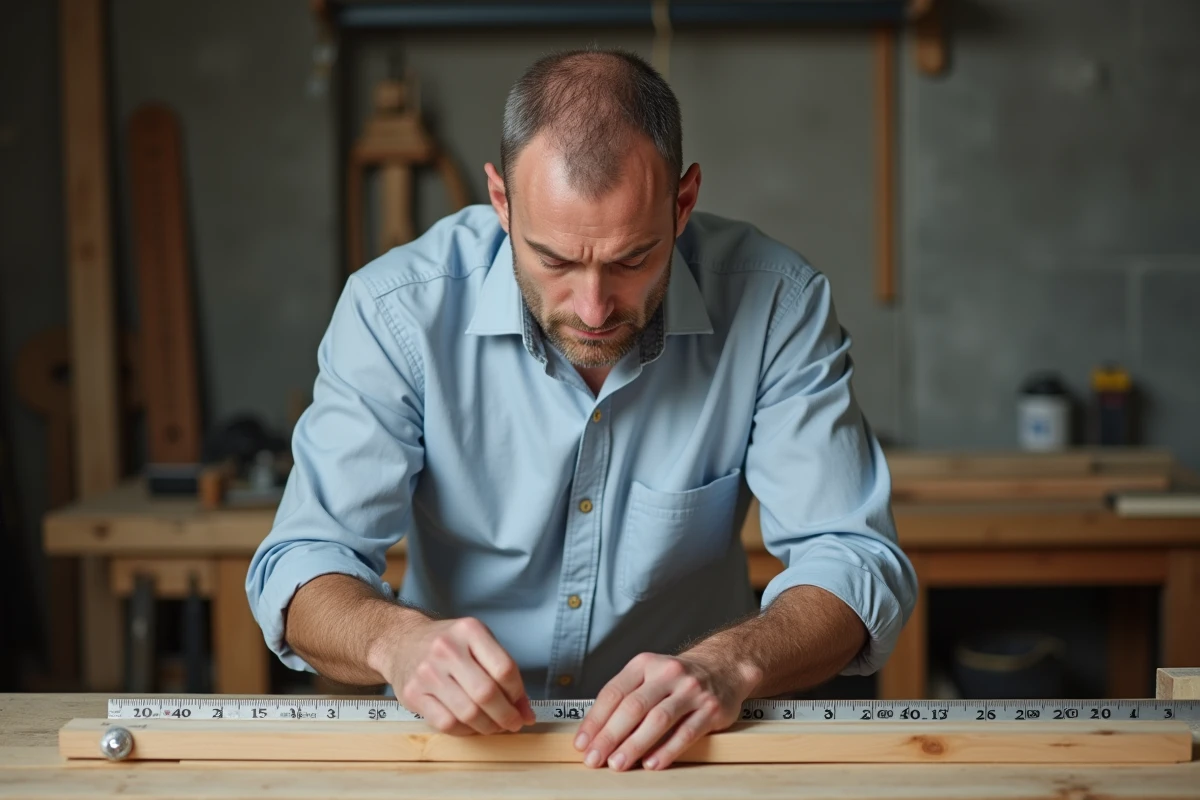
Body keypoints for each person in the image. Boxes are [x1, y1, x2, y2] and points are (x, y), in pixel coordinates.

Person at [247, 47, 917, 772]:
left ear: (683, 203)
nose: (593, 310)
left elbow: (853, 558)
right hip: (462, 755)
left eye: (633, 259)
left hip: (687, 754)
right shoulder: (393, 314)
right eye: (555, 261)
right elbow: (303, 563)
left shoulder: (778, 304)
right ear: (502, 202)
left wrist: (733, 665)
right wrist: (395, 642)